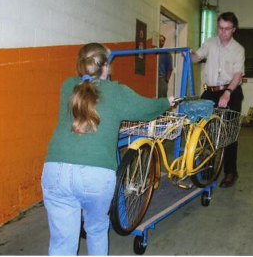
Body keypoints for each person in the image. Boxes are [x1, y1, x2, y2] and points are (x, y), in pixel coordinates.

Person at [42, 43, 175, 256]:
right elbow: (147, 109)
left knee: (61, 242)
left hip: (54, 171)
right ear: (106, 67)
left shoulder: (68, 86)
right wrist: (166, 102)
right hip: (95, 174)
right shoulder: (116, 92)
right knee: (95, 229)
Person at [191, 12, 245, 188]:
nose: (223, 32)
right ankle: (207, 167)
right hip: (211, 92)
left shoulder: (238, 49)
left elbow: (237, 74)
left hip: (231, 91)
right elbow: (196, 57)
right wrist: (189, 54)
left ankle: (230, 172)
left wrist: (228, 92)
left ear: (233, 29)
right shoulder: (210, 43)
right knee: (205, 131)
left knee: (229, 133)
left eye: (227, 29)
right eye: (220, 28)